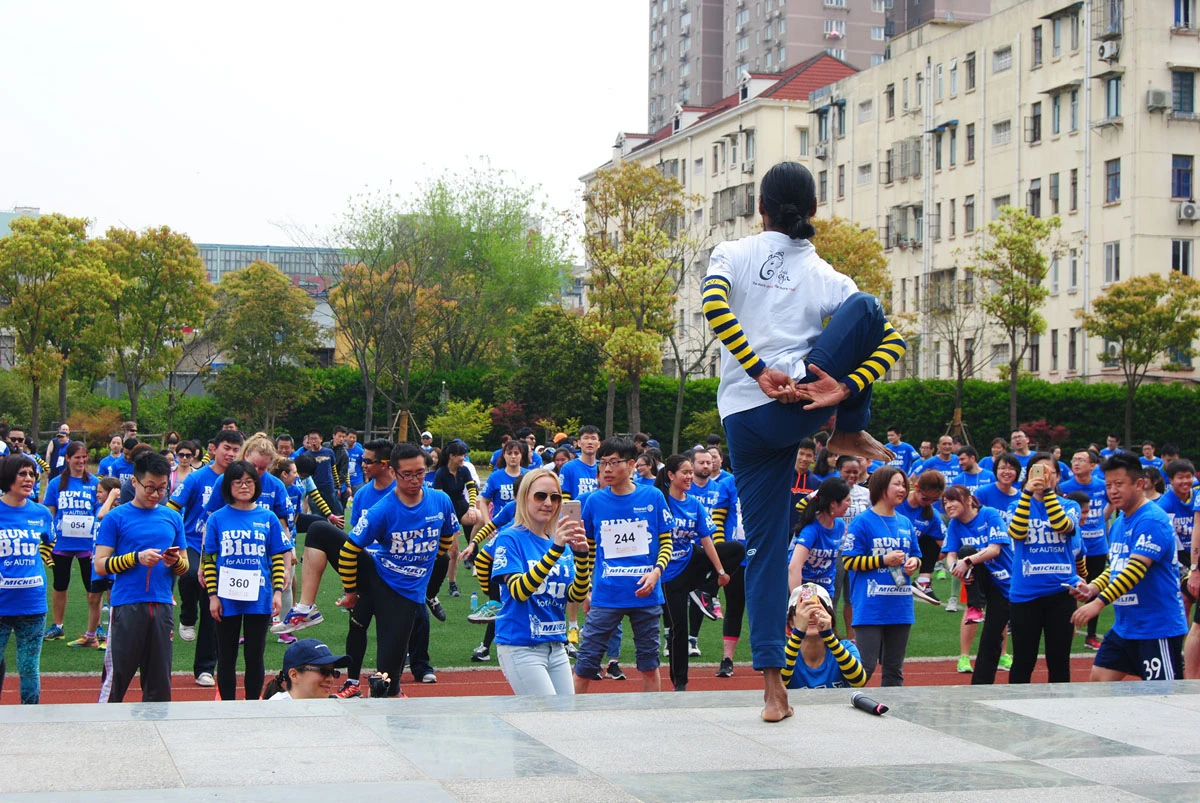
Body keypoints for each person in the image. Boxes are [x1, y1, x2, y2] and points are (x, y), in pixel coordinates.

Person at [701, 161, 906, 721]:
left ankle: (773, 691)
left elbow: (715, 307)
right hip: (799, 405)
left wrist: (756, 368)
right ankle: (846, 423)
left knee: (765, 554)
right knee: (866, 308)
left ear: (760, 208)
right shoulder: (827, 275)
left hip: (745, 419)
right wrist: (846, 385)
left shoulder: (733, 252)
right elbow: (891, 340)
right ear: (813, 212)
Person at [336, 442, 460, 697]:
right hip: (382, 578)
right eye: (407, 474)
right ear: (393, 472)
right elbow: (349, 550)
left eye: (420, 473)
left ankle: (409, 676)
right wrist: (350, 591)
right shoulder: (381, 509)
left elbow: (447, 535)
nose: (415, 480)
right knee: (318, 532)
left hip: (411, 591)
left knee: (389, 680)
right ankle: (352, 681)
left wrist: (431, 559)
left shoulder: (440, 500)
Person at [1071, 453, 1188, 681]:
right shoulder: (1119, 522)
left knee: (1164, 698)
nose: (1112, 491)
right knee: (1099, 681)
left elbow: (1134, 570)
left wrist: (1099, 602)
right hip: (1126, 627)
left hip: (1156, 628)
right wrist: (1094, 587)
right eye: (1108, 485)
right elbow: (1116, 566)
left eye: (1119, 484)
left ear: (1139, 484)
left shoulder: (1152, 520)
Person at [573, 437, 673, 694]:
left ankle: (652, 717)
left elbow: (666, 543)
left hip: (646, 595)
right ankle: (570, 719)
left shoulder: (653, 496)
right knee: (585, 662)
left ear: (630, 465)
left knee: (649, 663)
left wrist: (656, 572)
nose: (606, 469)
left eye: (612, 463)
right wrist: (586, 589)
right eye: (602, 463)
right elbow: (588, 550)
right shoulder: (594, 501)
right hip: (606, 596)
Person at [95, 451, 188, 702]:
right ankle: (102, 727)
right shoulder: (116, 517)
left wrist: (175, 561)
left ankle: (156, 731)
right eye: (150, 487)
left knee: (159, 681)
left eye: (161, 488)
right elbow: (100, 565)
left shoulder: (172, 517)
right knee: (116, 678)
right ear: (134, 482)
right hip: (127, 604)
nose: (156, 494)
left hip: (162, 605)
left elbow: (185, 566)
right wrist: (136, 558)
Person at [490, 468, 589, 695]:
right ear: (525, 498)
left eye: (555, 497)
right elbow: (518, 591)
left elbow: (575, 595)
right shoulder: (509, 538)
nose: (549, 503)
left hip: (556, 645)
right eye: (540, 496)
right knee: (546, 717)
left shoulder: (557, 540)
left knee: (564, 716)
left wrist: (582, 556)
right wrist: (555, 551)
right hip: (521, 646)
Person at [201, 461, 289, 700]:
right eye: (237, 482)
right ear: (228, 486)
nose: (243, 486)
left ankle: (252, 704)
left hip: (258, 597)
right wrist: (212, 596)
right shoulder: (217, 519)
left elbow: (277, 557)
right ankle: (228, 705)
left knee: (254, 654)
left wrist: (278, 592)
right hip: (226, 597)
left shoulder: (268, 517)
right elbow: (208, 559)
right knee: (227, 656)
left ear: (256, 485)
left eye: (249, 482)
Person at [657, 455, 743, 691]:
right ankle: (680, 683)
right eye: (684, 472)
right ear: (671, 476)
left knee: (736, 549)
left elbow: (706, 540)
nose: (689, 476)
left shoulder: (693, 503)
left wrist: (721, 572)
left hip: (690, 559)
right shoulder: (659, 502)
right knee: (679, 630)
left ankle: (704, 591)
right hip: (668, 574)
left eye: (689, 472)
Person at [167, 429, 245, 687]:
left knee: (213, 608)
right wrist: (170, 535)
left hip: (223, 551)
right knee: (189, 575)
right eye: (226, 448)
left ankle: (205, 668)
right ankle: (187, 616)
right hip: (192, 541)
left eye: (236, 449)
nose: (231, 453)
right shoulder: (197, 478)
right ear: (213, 449)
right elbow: (173, 507)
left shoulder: (241, 480)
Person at [842, 466, 921, 687]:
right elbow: (849, 561)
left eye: (904, 484)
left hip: (901, 605)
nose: (903, 489)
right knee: (864, 668)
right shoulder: (863, 522)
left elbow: (916, 554)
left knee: (894, 670)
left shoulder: (905, 522)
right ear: (880, 487)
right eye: (897, 484)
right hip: (871, 606)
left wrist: (915, 563)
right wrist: (882, 560)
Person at [1006, 451, 1081, 684]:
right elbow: (1017, 532)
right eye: (1037, 471)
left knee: (1059, 660)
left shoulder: (1070, 505)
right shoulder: (1015, 504)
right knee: (1023, 660)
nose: (1042, 476)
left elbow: (1062, 525)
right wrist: (1027, 492)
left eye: (1048, 472)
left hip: (1061, 593)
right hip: (1025, 594)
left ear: (1058, 476)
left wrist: (1048, 491)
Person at [943, 486, 1015, 684]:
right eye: (945, 503)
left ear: (968, 500)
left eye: (952, 501)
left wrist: (966, 563)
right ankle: (975, 607)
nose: (948, 506)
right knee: (965, 550)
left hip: (1005, 582)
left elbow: (994, 550)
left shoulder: (989, 514)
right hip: (981, 581)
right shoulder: (955, 525)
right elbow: (950, 555)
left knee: (993, 636)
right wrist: (956, 571)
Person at [0, 455, 55, 703]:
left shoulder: (41, 513)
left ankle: (30, 718)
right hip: (2, 602)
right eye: (22, 473)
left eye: (32, 474)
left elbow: (49, 540)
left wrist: (42, 559)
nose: (29, 479)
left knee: (29, 667)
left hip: (33, 603)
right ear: (8, 476)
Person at [42, 440, 103, 647]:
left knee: (92, 587)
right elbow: (49, 513)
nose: (81, 461)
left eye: (84, 457)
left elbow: (100, 512)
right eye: (77, 457)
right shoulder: (56, 483)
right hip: (62, 543)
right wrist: (48, 542)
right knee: (60, 584)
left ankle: (95, 627)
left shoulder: (94, 483)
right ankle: (58, 625)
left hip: (87, 544)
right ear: (67, 458)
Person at [1059, 448, 1112, 650]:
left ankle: (1091, 635)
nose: (1076, 463)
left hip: (1097, 547)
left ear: (1093, 465)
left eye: (1081, 460)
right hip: (1072, 547)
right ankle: (1067, 628)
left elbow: (1111, 505)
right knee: (1072, 589)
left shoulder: (1101, 486)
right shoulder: (1064, 487)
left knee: (1095, 589)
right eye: (1073, 459)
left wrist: (1101, 521)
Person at [781, 583, 867, 689]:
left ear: (829, 617)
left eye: (817, 609)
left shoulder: (846, 648)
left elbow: (859, 681)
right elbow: (779, 682)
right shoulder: (783, 654)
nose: (810, 615)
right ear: (791, 621)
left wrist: (829, 636)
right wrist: (798, 632)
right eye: (803, 611)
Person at [430, 440, 480, 608]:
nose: (464, 458)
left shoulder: (464, 470)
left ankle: (473, 548)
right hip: (445, 512)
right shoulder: (441, 474)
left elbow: (472, 489)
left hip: (461, 506)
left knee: (480, 517)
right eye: (461, 455)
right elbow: (439, 499)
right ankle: (452, 584)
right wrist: (451, 523)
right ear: (452, 456)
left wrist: (472, 507)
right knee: (453, 551)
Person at [787, 477, 849, 597]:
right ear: (833, 504)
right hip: (801, 587)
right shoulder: (811, 530)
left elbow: (831, 565)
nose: (849, 504)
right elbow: (794, 567)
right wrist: (799, 600)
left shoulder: (840, 525)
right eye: (847, 500)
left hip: (824, 590)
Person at [899, 470, 947, 602]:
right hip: (884, 552)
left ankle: (923, 581)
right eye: (926, 498)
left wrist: (919, 561)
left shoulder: (932, 515)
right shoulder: (897, 502)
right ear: (917, 487)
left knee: (931, 542)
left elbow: (945, 547)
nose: (929, 502)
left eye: (934, 500)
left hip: (907, 560)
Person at [263, 638, 352, 700]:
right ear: (294, 675)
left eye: (334, 673)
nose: (331, 679)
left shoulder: (328, 709)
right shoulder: (275, 713)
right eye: (323, 671)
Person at [975, 454, 1023, 524]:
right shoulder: (982, 493)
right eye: (1002, 468)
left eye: (1011, 468)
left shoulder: (1021, 498)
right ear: (995, 471)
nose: (1007, 472)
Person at [559, 426, 601, 501]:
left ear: (599, 444)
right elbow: (564, 499)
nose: (590, 442)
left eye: (593, 438)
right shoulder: (568, 468)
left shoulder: (603, 467)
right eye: (586, 438)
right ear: (579, 443)